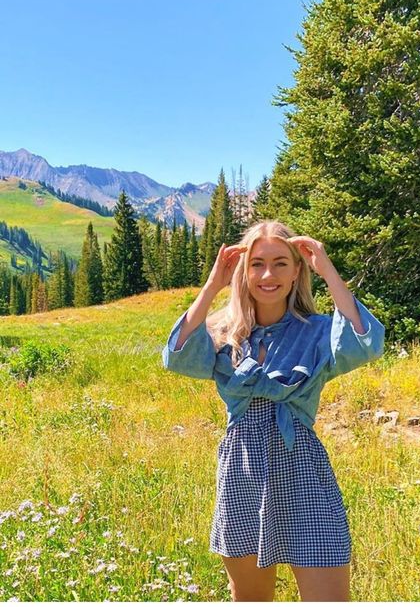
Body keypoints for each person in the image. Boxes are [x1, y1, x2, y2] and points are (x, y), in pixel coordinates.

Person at [162, 221, 384, 601]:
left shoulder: (316, 331)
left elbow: (365, 343)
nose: (268, 275)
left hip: (303, 472)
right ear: (243, 271)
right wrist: (214, 284)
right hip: (241, 472)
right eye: (257, 264)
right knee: (250, 598)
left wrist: (328, 272)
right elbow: (176, 355)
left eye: (281, 263)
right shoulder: (222, 331)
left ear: (298, 270)